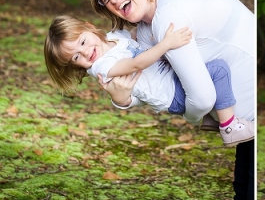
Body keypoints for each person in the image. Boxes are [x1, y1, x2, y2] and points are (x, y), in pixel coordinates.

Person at [88, 0, 254, 200]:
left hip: (252, 115)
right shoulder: (149, 23)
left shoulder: (169, 17)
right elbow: (155, 83)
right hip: (240, 117)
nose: (112, 0)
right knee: (242, 193)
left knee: (247, 196)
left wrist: (196, 117)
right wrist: (123, 100)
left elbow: (202, 98)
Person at [43, 15, 254, 147]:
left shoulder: (113, 37)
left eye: (82, 42)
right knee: (218, 70)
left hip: (172, 78)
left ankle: (213, 118)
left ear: (89, 27)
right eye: (76, 57)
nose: (86, 52)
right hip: (171, 94)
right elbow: (136, 64)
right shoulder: (102, 67)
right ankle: (229, 127)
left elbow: (136, 36)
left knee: (208, 68)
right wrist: (166, 43)